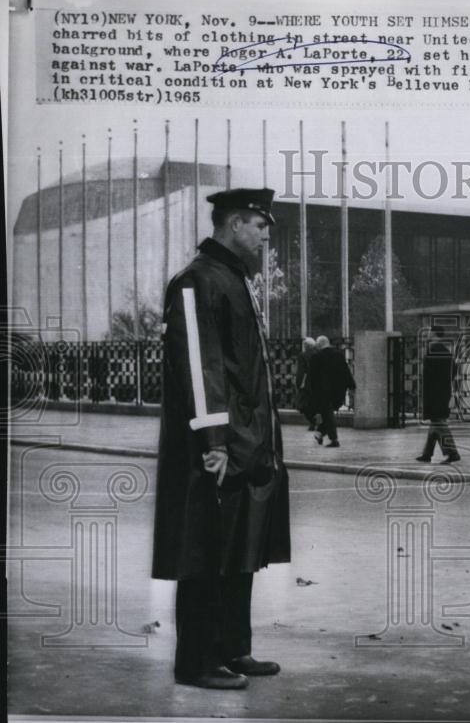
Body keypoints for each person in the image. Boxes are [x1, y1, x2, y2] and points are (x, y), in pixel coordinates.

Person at [152, 188, 291, 690]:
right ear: (233, 224)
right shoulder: (196, 280)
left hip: (244, 442)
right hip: (216, 445)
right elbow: (199, 366)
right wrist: (214, 441)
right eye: (259, 224)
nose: (264, 233)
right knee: (207, 551)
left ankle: (233, 649)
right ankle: (197, 662)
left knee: (240, 549)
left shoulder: (230, 278)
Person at [416, 324, 461, 464]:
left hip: (434, 393)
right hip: (444, 391)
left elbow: (427, 374)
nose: (428, 334)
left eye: (429, 332)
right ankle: (427, 454)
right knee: (435, 424)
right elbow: (454, 370)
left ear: (434, 334)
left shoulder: (432, 351)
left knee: (439, 423)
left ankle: (453, 452)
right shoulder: (446, 351)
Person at [309, 334, 356, 447]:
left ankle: (334, 439)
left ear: (319, 345)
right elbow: (346, 371)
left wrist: (312, 392)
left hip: (323, 392)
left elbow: (313, 377)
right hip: (339, 391)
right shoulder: (338, 355)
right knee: (328, 414)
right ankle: (320, 433)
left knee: (328, 415)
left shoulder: (316, 357)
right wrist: (352, 385)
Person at [296, 337, 317, 430]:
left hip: (306, 383)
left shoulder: (302, 355)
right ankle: (316, 422)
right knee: (314, 403)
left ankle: (312, 422)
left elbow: (301, 371)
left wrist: (299, 383)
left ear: (306, 346)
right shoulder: (318, 354)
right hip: (317, 383)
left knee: (303, 404)